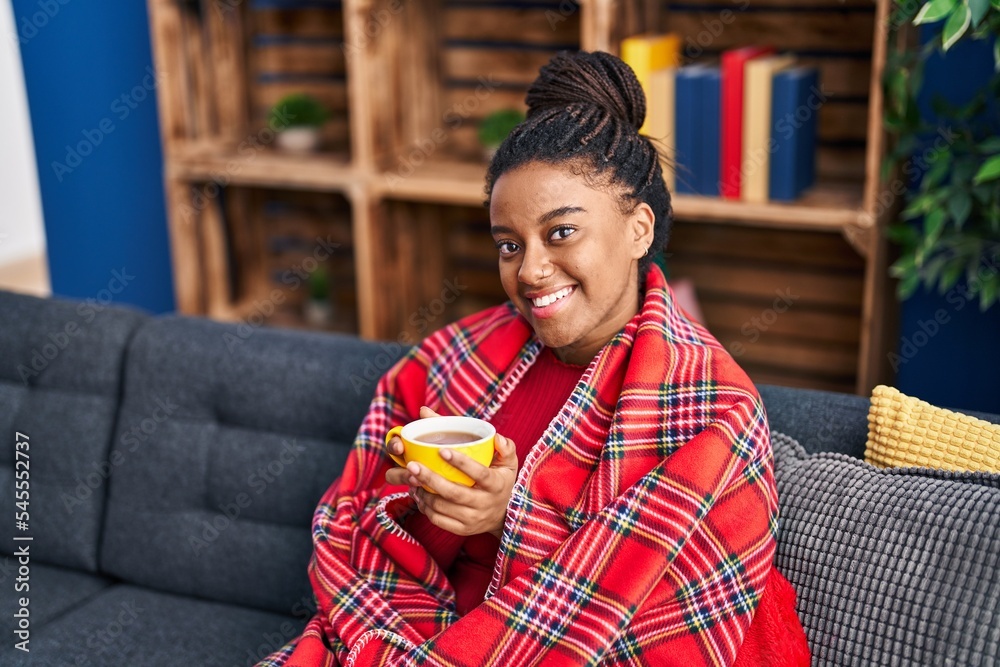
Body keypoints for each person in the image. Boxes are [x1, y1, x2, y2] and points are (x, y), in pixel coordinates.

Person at [259, 50, 811, 666]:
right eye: (508, 244)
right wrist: (412, 508)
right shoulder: (456, 356)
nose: (530, 270)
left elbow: (650, 610)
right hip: (411, 635)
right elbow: (348, 521)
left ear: (639, 229)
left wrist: (508, 518)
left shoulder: (710, 407)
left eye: (561, 232)